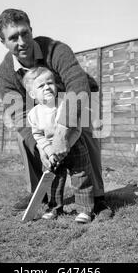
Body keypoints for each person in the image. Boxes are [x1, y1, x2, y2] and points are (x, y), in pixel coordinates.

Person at [0, 8, 108, 215]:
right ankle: (40, 192)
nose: (22, 42)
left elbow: (77, 83)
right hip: (43, 108)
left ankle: (98, 197)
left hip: (77, 97)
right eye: (13, 38)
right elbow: (19, 115)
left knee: (87, 124)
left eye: (25, 33)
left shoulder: (56, 50)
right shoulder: (4, 74)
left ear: (31, 30)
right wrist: (44, 148)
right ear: (3, 42)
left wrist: (63, 131)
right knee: (25, 136)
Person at [24, 67, 94, 223]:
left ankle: (85, 210)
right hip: (52, 153)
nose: (47, 87)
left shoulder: (65, 105)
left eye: (50, 83)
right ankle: (54, 208)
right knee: (54, 180)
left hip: (74, 145)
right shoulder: (33, 114)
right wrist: (49, 151)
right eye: (41, 86)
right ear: (32, 94)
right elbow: (38, 136)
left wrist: (68, 144)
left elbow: (76, 128)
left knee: (81, 176)